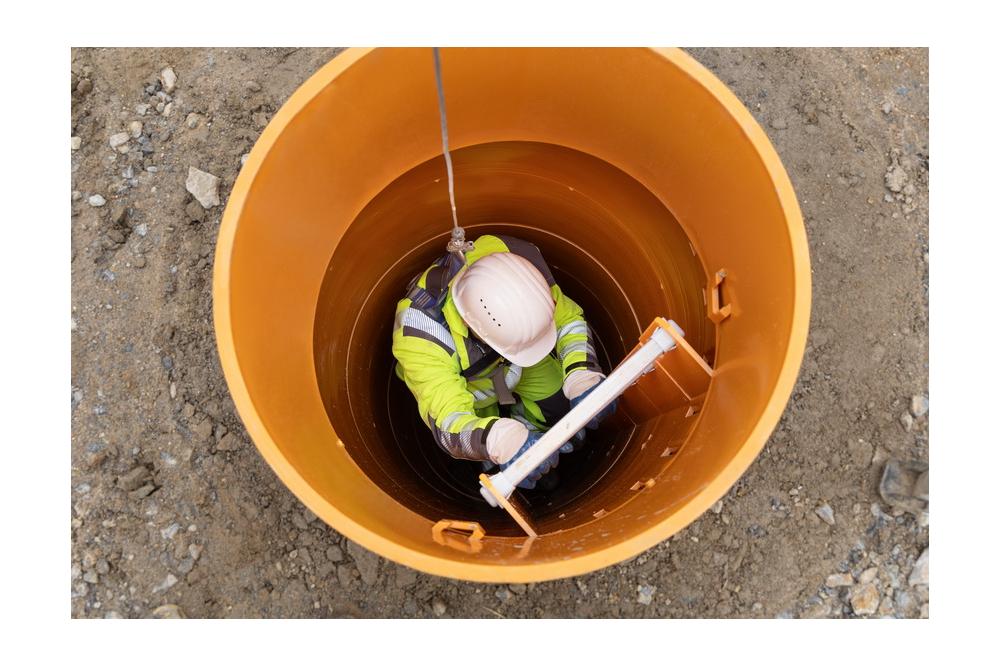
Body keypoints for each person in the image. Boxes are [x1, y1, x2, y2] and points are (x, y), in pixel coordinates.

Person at [391, 234, 615, 490]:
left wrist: (582, 373)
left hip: (518, 359)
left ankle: (531, 429)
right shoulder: (420, 337)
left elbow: (568, 320)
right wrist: (504, 442)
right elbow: (450, 422)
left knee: (558, 406)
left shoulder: (517, 262)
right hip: (465, 385)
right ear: (469, 323)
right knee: (483, 437)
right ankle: (506, 450)